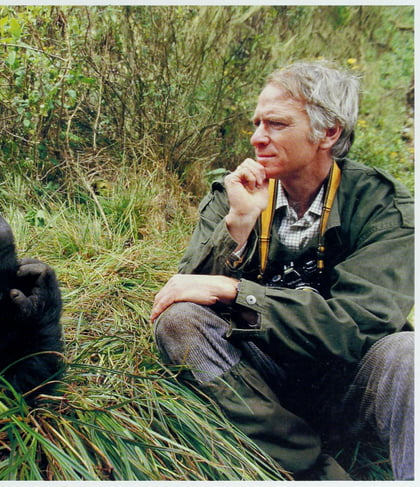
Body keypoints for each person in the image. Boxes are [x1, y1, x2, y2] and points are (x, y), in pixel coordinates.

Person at [151, 60, 414, 480]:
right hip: (256, 385)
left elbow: (357, 327)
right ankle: (313, 470)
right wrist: (238, 228)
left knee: (408, 356)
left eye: (276, 124)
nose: (257, 138)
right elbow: (182, 289)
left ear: (329, 133)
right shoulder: (235, 193)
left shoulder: (382, 206)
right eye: (256, 123)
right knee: (179, 322)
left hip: (348, 383)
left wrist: (237, 291)